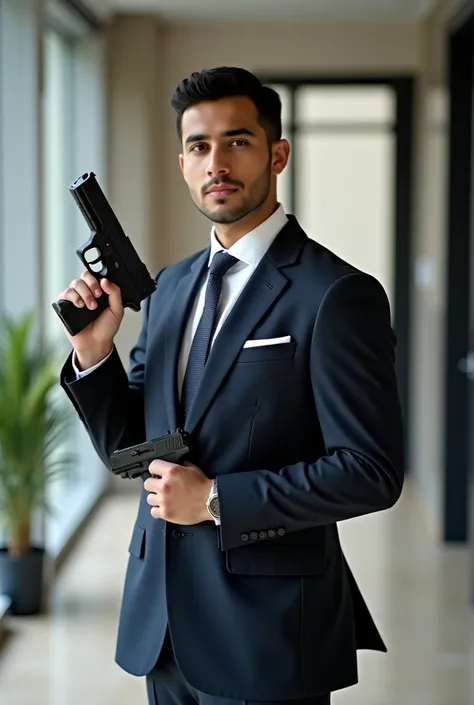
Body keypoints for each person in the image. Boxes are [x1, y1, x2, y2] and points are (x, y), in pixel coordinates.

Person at [58, 66, 405, 705]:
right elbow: (134, 451)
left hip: (267, 631)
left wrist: (217, 499)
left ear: (277, 154)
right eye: (199, 147)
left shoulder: (336, 295)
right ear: (183, 163)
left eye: (237, 141)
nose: (216, 162)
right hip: (162, 624)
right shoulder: (167, 290)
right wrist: (94, 352)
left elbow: (370, 471)